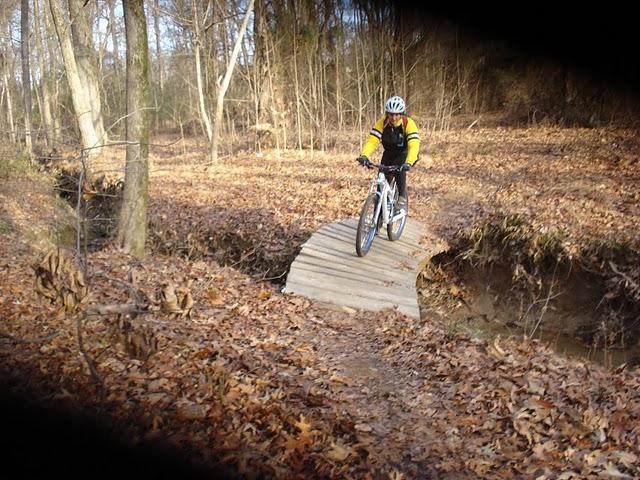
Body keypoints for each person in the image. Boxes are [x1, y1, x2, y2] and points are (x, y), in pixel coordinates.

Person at [357, 95, 420, 211]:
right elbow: (372, 141)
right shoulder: (382, 123)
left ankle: (401, 196)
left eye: (397, 114)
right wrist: (364, 155)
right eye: (391, 114)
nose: (394, 117)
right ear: (387, 114)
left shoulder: (408, 123)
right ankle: (378, 218)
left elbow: (414, 144)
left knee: (399, 171)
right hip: (388, 154)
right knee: (381, 183)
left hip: (403, 154)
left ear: (401, 114)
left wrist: (409, 162)